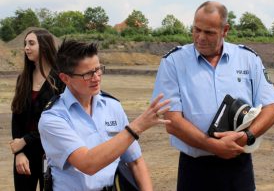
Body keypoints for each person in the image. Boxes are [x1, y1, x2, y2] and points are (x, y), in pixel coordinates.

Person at [152, 1, 274, 191]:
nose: (200, 37)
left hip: (239, 167)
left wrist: (246, 136)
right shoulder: (173, 62)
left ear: (225, 29)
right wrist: (212, 145)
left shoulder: (248, 59)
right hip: (195, 171)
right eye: (196, 29)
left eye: (209, 32)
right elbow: (173, 122)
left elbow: (271, 111)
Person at [38, 39, 171, 191]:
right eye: (88, 74)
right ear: (65, 78)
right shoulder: (53, 118)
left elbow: (135, 161)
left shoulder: (112, 106)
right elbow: (87, 164)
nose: (96, 77)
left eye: (98, 69)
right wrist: (137, 126)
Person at [10, 29, 65, 191]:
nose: (26, 48)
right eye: (25, 44)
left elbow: (57, 121)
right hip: (24, 156)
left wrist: (26, 139)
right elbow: (17, 116)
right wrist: (18, 153)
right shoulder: (23, 78)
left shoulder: (60, 80)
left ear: (45, 46)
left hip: (51, 154)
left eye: (31, 43)